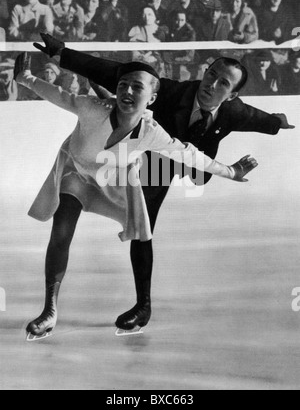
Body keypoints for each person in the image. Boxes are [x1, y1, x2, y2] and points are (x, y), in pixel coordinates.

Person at [33, 33, 295, 334]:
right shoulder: (171, 91)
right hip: (146, 157)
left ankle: (141, 303)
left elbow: (257, 118)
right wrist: (62, 55)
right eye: (211, 75)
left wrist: (277, 122)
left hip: (180, 166)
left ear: (233, 94)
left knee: (149, 220)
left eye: (223, 83)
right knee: (116, 224)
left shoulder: (234, 111)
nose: (212, 84)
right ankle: (107, 306)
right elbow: (111, 70)